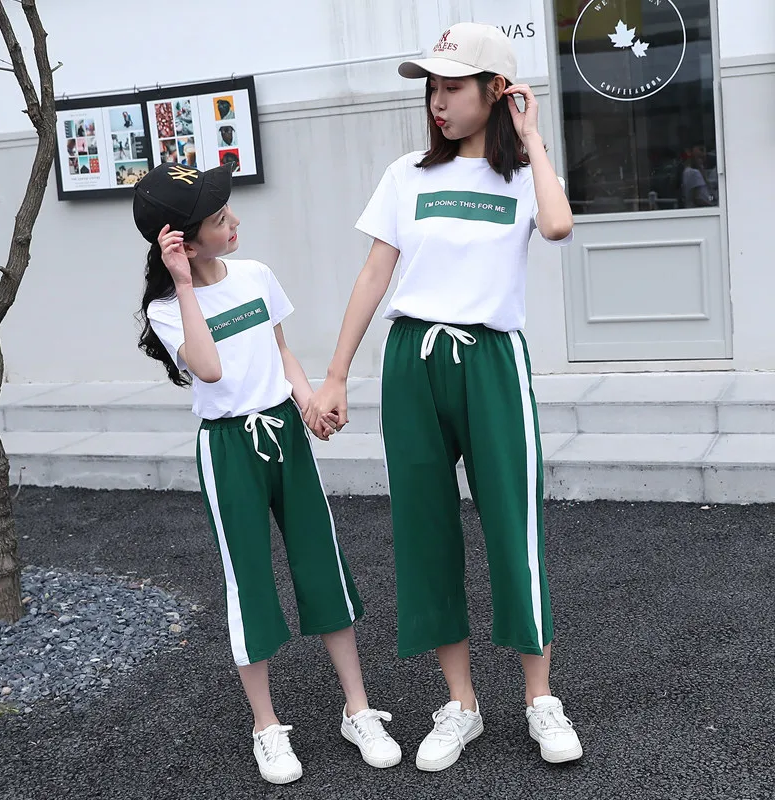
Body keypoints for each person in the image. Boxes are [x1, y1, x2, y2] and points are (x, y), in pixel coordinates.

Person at [305, 22, 583, 771]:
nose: (437, 100)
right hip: (413, 362)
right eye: (431, 86)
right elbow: (373, 276)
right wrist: (335, 374)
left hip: (490, 360)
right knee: (424, 532)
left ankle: (538, 699)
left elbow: (557, 225)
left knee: (512, 527)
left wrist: (532, 138)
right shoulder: (407, 176)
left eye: (453, 86)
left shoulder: (521, 174)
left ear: (496, 91)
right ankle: (460, 704)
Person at [132, 163, 401, 785]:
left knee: (321, 562)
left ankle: (358, 709)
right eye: (222, 219)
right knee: (248, 580)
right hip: (227, 447)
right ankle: (266, 727)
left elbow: (280, 351)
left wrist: (309, 404)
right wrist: (182, 282)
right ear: (183, 241)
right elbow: (209, 369)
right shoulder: (167, 308)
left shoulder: (255, 276)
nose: (236, 223)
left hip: (282, 429)